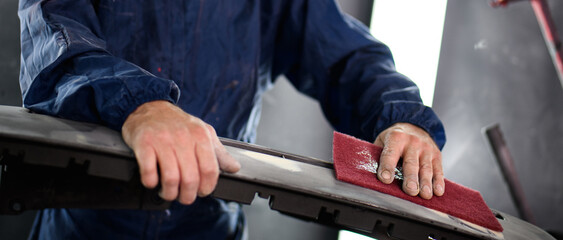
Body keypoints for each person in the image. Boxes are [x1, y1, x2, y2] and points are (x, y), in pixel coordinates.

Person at [18, 0, 446, 239]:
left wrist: (403, 119)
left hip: (209, 227)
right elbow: (55, 44)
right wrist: (141, 107)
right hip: (84, 226)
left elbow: (348, 59)